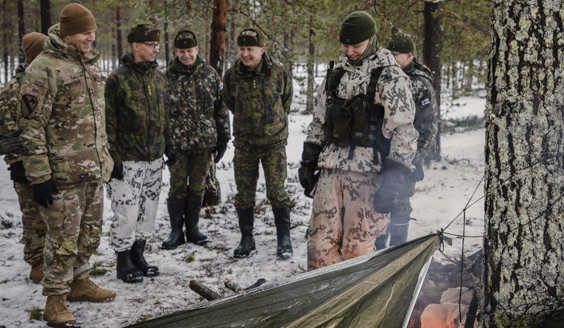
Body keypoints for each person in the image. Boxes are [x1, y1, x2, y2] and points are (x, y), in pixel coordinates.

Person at [18, 4, 115, 325]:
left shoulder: (89, 65)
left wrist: (108, 159)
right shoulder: (42, 68)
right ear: (69, 33)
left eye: (93, 31)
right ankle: (55, 300)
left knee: (90, 234)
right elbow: (30, 127)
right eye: (86, 32)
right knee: (61, 240)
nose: (92, 37)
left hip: (92, 171)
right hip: (60, 177)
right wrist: (39, 176)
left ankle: (79, 282)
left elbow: (97, 120)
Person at [299, 11, 418, 271]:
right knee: (319, 243)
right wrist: (309, 161)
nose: (350, 51)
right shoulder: (336, 74)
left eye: (357, 45)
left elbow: (404, 131)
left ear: (372, 40)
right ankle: (319, 303)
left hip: (368, 175)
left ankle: (355, 306)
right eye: (345, 45)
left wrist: (394, 178)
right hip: (331, 172)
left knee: (359, 247)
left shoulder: (391, 77)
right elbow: (320, 120)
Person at [105, 23, 176, 283]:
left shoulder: (159, 77)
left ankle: (139, 254)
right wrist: (112, 157)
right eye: (151, 45)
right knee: (126, 212)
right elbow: (108, 122)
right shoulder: (117, 79)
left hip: (154, 159)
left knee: (148, 209)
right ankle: (123, 261)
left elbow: (164, 115)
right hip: (127, 159)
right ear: (136, 46)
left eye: (157, 45)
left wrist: (169, 145)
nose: (156, 49)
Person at [223, 27, 294, 259]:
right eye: (242, 49)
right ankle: (247, 238)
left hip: (273, 144)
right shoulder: (232, 76)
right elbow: (230, 103)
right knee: (245, 193)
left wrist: (273, 126)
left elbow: (286, 101)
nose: (245, 54)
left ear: (262, 50)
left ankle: (283, 238)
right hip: (245, 144)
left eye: (250, 49)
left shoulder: (278, 73)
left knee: (277, 191)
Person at [162, 28, 230, 249]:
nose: (186, 55)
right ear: (176, 51)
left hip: (204, 143)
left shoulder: (210, 74)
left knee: (198, 187)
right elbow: (161, 112)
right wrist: (164, 142)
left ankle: (193, 229)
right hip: (177, 144)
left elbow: (220, 108)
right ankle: (175, 232)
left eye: (189, 50)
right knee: (177, 187)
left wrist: (223, 139)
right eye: (181, 51)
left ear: (197, 49)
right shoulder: (166, 77)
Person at [375, 34, 439, 248]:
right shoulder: (385, 77)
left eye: (395, 55)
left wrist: (417, 160)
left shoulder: (420, 84)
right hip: (382, 152)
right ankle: (377, 250)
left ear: (409, 56)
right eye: (388, 54)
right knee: (379, 200)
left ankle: (398, 250)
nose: (390, 59)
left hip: (407, 156)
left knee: (400, 202)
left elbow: (428, 126)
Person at [0, 32, 48, 285]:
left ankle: (49, 260)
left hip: (45, 162)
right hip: (22, 166)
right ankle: (36, 263)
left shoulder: (44, 82)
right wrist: (16, 161)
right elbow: (6, 129)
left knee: (50, 215)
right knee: (33, 218)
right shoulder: (12, 88)